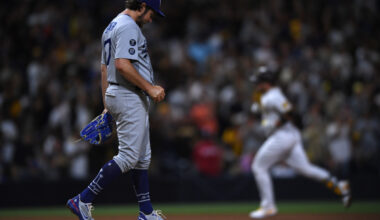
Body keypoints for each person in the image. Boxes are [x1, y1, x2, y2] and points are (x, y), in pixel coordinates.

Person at [66, 1, 166, 220]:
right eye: (151, 13)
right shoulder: (129, 25)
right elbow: (121, 64)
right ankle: (83, 199)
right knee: (129, 157)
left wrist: (106, 104)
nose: (151, 18)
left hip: (119, 92)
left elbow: (104, 69)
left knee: (142, 157)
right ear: (141, 6)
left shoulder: (111, 25)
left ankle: (146, 212)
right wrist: (150, 87)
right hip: (129, 94)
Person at [248, 66, 351, 219]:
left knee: (258, 166)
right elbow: (270, 111)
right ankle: (340, 186)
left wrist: (276, 123)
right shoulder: (267, 96)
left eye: (259, 81)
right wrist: (260, 109)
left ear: (266, 82)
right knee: (306, 169)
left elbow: (291, 113)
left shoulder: (274, 95)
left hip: (282, 136)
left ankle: (268, 207)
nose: (256, 84)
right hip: (289, 136)